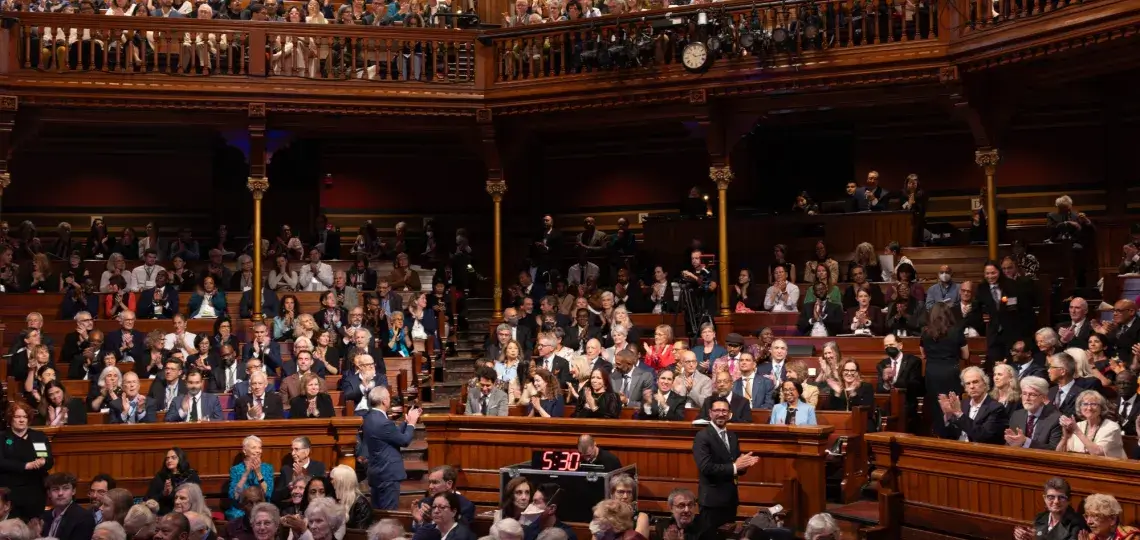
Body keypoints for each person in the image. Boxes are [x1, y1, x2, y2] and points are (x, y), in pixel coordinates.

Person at [692, 397, 758, 535]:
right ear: (710, 413)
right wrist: (735, 466)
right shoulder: (702, 436)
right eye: (717, 410)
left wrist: (744, 465)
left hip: (730, 500)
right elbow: (706, 467)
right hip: (712, 502)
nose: (721, 414)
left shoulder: (732, 436)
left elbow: (736, 466)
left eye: (724, 411)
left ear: (729, 414)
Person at [363, 386, 422, 510]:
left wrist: (406, 422)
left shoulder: (369, 418)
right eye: (389, 397)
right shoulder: (383, 423)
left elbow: (390, 435)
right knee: (389, 514)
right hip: (387, 475)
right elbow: (404, 441)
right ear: (384, 401)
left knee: (378, 513)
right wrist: (412, 423)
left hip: (377, 474)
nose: (390, 400)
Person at [921, 303, 969, 434]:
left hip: (932, 372)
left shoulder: (926, 332)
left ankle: (938, 432)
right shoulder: (956, 331)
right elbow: (966, 355)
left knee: (936, 404)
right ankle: (953, 433)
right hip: (950, 370)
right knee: (952, 402)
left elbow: (923, 354)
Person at [0, 403, 52, 520]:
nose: (22, 420)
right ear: (10, 418)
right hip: (11, 490)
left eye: (25, 417)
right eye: (18, 417)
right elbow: (1, 462)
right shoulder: (3, 438)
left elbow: (49, 460)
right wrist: (25, 466)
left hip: (35, 490)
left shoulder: (38, 437)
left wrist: (43, 462)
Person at [935, 366, 1008, 444]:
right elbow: (947, 436)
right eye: (968, 383)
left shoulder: (996, 408)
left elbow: (984, 436)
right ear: (965, 388)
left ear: (985, 383)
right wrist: (948, 415)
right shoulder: (962, 404)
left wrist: (959, 414)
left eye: (975, 382)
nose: (972, 386)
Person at [1057, 389, 1126, 459]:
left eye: (1094, 404)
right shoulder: (1079, 425)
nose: (1089, 408)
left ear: (1101, 407)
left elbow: (1098, 454)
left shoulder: (1112, 427)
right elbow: (1058, 455)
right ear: (1080, 407)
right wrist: (1065, 438)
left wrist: (1077, 431)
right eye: (1085, 404)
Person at [1012, 477, 1088, 540]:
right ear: (1044, 498)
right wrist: (1023, 536)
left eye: (1061, 497)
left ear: (1069, 500)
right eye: (1051, 497)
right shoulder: (1040, 518)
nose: (1056, 501)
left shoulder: (1077, 524)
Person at [1004, 376, 1063, 450]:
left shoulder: (1055, 419)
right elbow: (1010, 443)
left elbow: (1053, 449)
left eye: (1032, 394)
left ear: (1043, 398)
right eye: (1024, 394)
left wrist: (1026, 442)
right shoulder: (1017, 415)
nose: (1027, 398)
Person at [228, 435, 275, 519]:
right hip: (241, 510)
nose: (258, 451)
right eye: (254, 448)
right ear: (245, 451)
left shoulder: (268, 468)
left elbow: (268, 494)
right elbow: (234, 496)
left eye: (260, 448)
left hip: (262, 509)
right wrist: (245, 474)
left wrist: (258, 473)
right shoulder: (235, 470)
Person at [40, 472, 97, 540]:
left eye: (65, 488)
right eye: (55, 489)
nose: (60, 493)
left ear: (73, 491)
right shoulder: (45, 516)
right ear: (49, 493)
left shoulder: (84, 517)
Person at [145, 447, 201, 515]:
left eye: (173, 458)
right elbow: (148, 498)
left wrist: (172, 492)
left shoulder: (191, 475)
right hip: (163, 513)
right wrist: (164, 494)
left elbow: (195, 497)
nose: (169, 460)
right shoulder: (160, 476)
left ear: (181, 458)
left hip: (187, 513)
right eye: (167, 458)